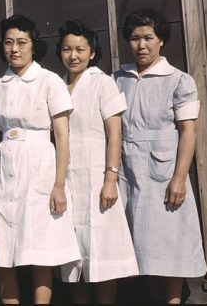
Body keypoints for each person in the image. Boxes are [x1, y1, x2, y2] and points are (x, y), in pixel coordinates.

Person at [0, 15, 80, 304]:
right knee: (3, 251)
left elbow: (62, 136)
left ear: (33, 46)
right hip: (4, 168)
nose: (15, 49)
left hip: (40, 165)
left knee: (40, 249)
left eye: (22, 42)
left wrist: (59, 184)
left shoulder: (50, 81)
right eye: (9, 42)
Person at [113, 9, 207, 304]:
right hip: (128, 168)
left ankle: (173, 299)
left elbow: (188, 132)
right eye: (135, 38)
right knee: (141, 242)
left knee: (169, 240)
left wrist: (179, 178)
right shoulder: (118, 79)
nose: (142, 45)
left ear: (161, 41)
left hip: (164, 171)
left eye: (148, 38)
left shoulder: (179, 80)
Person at [56, 21, 138, 304]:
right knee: (73, 257)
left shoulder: (102, 82)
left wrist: (110, 179)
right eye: (67, 49)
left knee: (102, 254)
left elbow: (115, 133)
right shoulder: (57, 86)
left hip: (96, 178)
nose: (73, 55)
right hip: (66, 179)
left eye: (80, 49)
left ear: (92, 53)